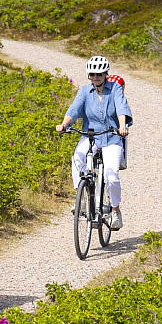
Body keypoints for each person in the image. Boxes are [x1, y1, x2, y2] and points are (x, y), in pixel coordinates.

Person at [54, 55, 132, 229]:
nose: (95, 77)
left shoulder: (115, 89)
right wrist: (65, 124)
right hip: (91, 136)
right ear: (89, 75)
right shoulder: (84, 91)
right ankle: (81, 199)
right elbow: (74, 109)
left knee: (111, 175)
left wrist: (122, 126)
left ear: (105, 74)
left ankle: (115, 211)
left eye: (99, 74)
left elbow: (121, 108)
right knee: (77, 159)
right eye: (92, 74)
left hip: (112, 137)